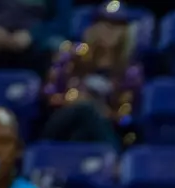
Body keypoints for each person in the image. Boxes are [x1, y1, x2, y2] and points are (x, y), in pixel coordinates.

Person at [39, 3, 142, 146]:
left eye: (116, 25)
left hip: (101, 128)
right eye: (104, 24)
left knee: (85, 126)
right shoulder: (71, 57)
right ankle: (112, 154)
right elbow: (48, 95)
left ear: (125, 32)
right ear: (93, 27)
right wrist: (70, 101)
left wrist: (102, 111)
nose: (109, 30)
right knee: (85, 110)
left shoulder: (129, 71)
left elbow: (126, 118)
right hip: (63, 124)